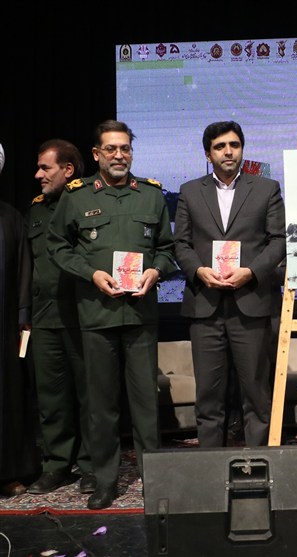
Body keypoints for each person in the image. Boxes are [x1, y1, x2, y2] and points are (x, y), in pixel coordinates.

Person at [47, 120, 177, 510]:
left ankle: (156, 481)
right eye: (111, 149)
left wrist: (156, 271)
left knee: (145, 404)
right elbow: (57, 245)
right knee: (101, 406)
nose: (119, 155)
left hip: (140, 315)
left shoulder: (151, 195)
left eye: (125, 148)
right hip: (96, 314)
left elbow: (166, 249)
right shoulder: (76, 196)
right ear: (97, 154)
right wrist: (91, 274)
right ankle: (105, 481)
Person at [173, 121, 286, 448]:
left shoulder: (266, 188)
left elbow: (278, 241)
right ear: (208, 154)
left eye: (234, 145)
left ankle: (258, 463)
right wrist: (198, 271)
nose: (228, 152)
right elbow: (180, 244)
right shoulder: (190, 191)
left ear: (242, 150)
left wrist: (251, 271)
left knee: (256, 393)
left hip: (251, 303)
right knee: (208, 396)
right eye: (220, 146)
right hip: (205, 304)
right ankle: (211, 465)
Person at [25, 139, 95, 495]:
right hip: (44, 317)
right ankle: (56, 465)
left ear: (68, 170)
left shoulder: (90, 202)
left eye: (45, 168)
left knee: (90, 396)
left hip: (83, 314)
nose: (38, 175)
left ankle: (92, 465)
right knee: (51, 398)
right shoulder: (36, 210)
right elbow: (29, 264)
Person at [0, 142, 37, 497]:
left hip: (4, 327)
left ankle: (9, 471)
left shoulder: (11, 218)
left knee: (7, 398)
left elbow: (24, 270)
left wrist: (23, 317)